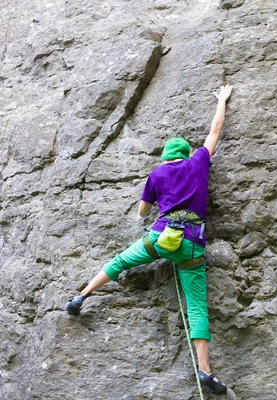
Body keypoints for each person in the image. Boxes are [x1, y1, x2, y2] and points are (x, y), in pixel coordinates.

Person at [66, 85, 233, 394]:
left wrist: (154, 199)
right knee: (196, 307)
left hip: (159, 237)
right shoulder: (198, 163)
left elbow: (143, 211)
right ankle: (205, 370)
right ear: (184, 154)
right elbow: (215, 130)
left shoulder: (156, 175)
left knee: (120, 262)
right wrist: (222, 101)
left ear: (165, 156)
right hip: (192, 244)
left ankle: (82, 296)